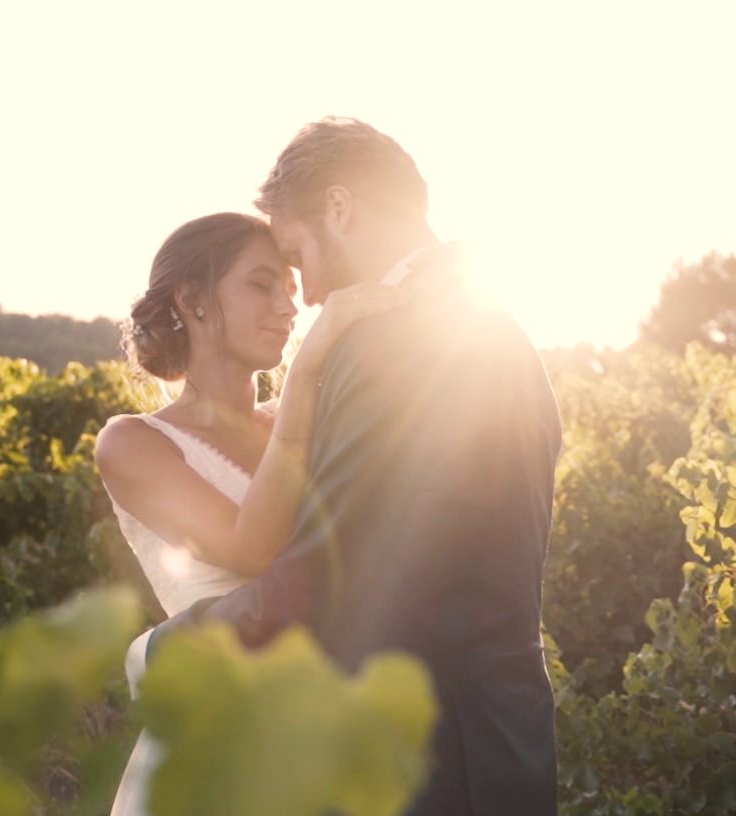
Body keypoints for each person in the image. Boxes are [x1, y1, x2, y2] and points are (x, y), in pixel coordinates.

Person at [139, 117, 564, 815]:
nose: (302, 296)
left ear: (340, 208)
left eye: (297, 258)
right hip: (495, 747)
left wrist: (163, 650)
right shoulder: (491, 325)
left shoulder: (395, 339)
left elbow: (331, 575)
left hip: (430, 764)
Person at [96, 210, 408, 816]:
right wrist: (308, 374)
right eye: (261, 284)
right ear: (194, 301)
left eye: (292, 291)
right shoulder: (131, 442)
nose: (289, 309)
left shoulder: (310, 423)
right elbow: (253, 550)